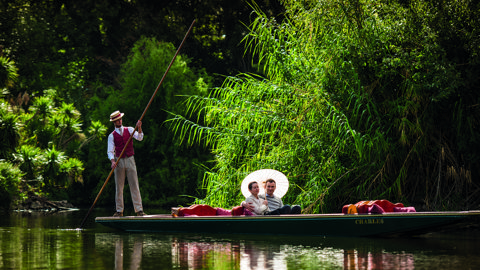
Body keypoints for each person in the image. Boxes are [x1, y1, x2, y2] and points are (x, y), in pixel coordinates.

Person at [107, 110, 146, 217]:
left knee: (134, 185)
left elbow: (140, 137)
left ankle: (139, 210)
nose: (119, 121)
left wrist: (139, 127)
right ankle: (119, 211)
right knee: (119, 187)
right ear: (114, 122)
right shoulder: (111, 136)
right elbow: (110, 151)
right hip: (119, 161)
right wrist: (113, 161)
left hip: (130, 159)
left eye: (120, 119)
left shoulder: (129, 129)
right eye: (117, 120)